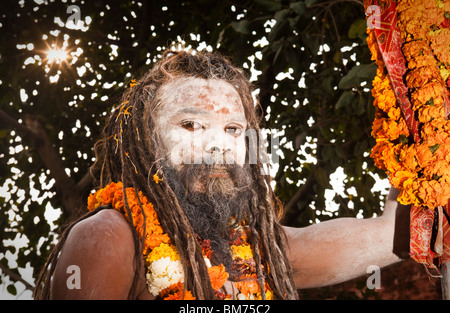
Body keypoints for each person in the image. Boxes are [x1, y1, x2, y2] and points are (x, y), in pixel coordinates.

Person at [34, 50, 410, 300]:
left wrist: (419, 126)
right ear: (148, 140)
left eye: (233, 129)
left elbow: (396, 234)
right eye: (191, 124)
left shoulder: (262, 248)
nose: (218, 145)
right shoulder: (110, 236)